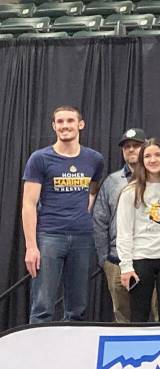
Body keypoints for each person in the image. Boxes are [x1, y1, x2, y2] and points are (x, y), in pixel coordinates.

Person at [22, 105, 104, 323]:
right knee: (42, 306)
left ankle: (72, 354)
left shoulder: (94, 159)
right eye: (60, 122)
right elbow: (29, 204)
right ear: (54, 126)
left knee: (78, 308)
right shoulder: (40, 159)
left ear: (80, 124)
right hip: (49, 236)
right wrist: (31, 246)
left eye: (69, 121)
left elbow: (92, 190)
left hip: (82, 237)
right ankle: (39, 354)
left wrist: (81, 213)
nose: (65, 126)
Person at [116, 139, 160, 323]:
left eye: (158, 155)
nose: (153, 160)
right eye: (148, 156)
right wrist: (126, 267)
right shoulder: (131, 192)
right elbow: (124, 232)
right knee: (139, 315)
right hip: (140, 260)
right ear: (142, 160)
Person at [93, 127, 145, 323]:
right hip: (117, 260)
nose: (131, 150)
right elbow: (99, 220)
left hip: (151, 256)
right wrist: (104, 259)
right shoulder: (112, 182)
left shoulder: (157, 178)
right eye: (127, 147)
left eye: (136, 146)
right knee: (122, 315)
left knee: (156, 313)